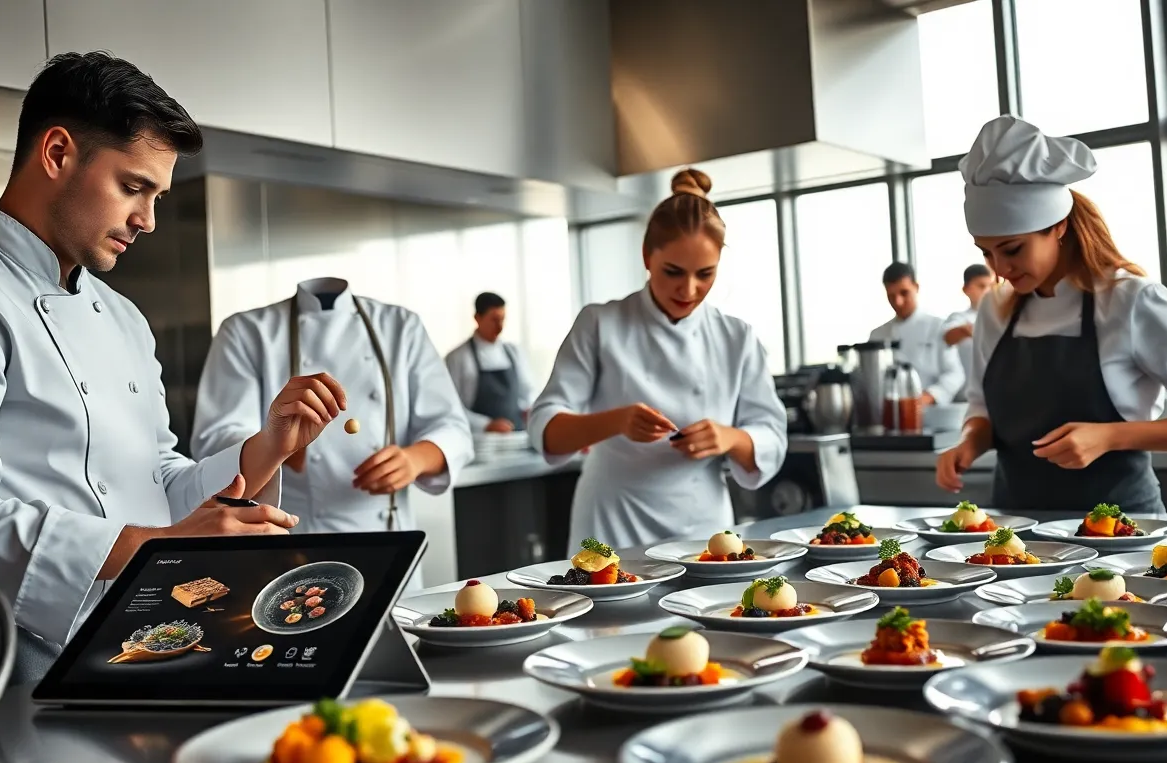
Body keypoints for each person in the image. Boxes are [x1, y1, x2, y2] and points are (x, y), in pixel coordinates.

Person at [0, 52, 342, 682]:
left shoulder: (121, 315)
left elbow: (154, 482)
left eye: (157, 196)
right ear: (57, 153)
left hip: (141, 638)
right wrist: (153, 548)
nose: (147, 220)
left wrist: (266, 449)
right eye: (133, 187)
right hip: (14, 655)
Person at [936, 115, 1167, 511]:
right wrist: (969, 442)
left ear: (1058, 227)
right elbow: (981, 407)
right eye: (987, 252)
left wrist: (1110, 436)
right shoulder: (995, 310)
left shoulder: (1131, 300)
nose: (999, 269)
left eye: (1013, 249)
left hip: (1121, 538)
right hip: (1019, 542)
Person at [528, 169, 788, 549]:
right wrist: (616, 421)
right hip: (611, 525)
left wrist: (728, 436)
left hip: (703, 529)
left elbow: (772, 439)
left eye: (706, 274)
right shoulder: (600, 323)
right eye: (673, 272)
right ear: (647, 256)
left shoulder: (737, 337)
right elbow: (545, 428)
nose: (689, 289)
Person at [191, 277, 474, 563]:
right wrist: (280, 448)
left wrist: (416, 459)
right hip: (293, 542)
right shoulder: (247, 331)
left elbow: (453, 428)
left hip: (387, 539)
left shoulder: (401, 325)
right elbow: (216, 441)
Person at [868, 262, 966, 405]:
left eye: (904, 293)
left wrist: (927, 397)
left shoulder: (938, 327)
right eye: (891, 296)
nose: (898, 302)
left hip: (931, 413)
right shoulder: (877, 335)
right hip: (890, 412)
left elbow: (955, 374)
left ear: (916, 287)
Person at [444, 291, 536, 433]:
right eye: (494, 320)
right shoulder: (457, 358)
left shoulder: (514, 352)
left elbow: (527, 392)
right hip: (479, 442)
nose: (499, 327)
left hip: (517, 437)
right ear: (477, 318)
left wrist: (528, 410)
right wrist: (486, 424)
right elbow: (451, 407)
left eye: (502, 319)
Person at [942, 263, 996, 400]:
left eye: (990, 286)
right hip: (965, 400)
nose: (988, 291)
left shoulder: (1001, 317)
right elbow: (948, 337)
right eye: (982, 286)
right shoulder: (958, 318)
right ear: (966, 289)